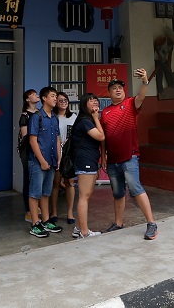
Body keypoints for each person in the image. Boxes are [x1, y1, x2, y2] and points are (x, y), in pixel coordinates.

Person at [100, 68, 157, 240]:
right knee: (117, 193)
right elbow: (104, 138)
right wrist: (103, 156)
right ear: (109, 93)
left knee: (135, 187)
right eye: (114, 88)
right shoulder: (105, 112)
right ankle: (118, 223)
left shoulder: (131, 104)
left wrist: (145, 81)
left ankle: (152, 223)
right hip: (113, 160)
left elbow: (142, 96)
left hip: (130, 156)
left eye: (120, 87)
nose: (118, 90)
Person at [27, 87, 62, 237]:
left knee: (46, 192)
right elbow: (33, 140)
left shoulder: (54, 117)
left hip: (52, 161)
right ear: (44, 98)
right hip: (38, 162)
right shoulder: (37, 117)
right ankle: (35, 223)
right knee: (35, 193)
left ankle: (46, 221)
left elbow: (58, 138)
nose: (56, 99)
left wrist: (59, 158)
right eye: (53, 96)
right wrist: (41, 160)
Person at [71, 93, 105, 239]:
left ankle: (78, 228)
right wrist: (97, 119)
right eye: (91, 101)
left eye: (96, 100)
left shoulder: (89, 120)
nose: (95, 103)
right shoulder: (85, 120)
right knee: (84, 196)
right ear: (84, 105)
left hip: (90, 160)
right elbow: (101, 136)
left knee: (87, 194)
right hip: (84, 160)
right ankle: (84, 232)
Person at [49, 91, 76, 226]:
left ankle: (70, 212)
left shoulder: (74, 117)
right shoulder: (52, 117)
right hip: (56, 153)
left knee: (70, 183)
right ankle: (54, 211)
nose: (63, 102)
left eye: (65, 100)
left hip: (69, 154)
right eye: (60, 100)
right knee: (56, 183)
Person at [18, 89, 39, 222]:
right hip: (29, 152)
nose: (36, 95)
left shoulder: (40, 113)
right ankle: (28, 210)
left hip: (41, 151)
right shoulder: (25, 116)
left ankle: (38, 208)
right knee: (29, 180)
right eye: (33, 94)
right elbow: (26, 138)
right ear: (27, 99)